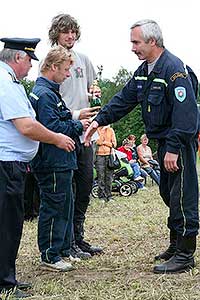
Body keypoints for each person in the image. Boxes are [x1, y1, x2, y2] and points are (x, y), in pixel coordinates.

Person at [84, 19, 199, 274]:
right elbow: (123, 100)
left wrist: (173, 147)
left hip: (177, 144)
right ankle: (175, 244)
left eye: (136, 42)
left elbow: (186, 114)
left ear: (152, 41)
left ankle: (185, 254)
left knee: (183, 198)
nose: (132, 48)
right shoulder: (145, 71)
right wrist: (98, 120)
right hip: (164, 142)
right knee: (168, 194)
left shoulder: (174, 69)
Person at [0, 38, 76, 299]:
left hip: (13, 164)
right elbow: (26, 126)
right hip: (7, 164)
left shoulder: (11, 82)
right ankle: (4, 283)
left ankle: (7, 277)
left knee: (11, 223)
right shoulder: (5, 82)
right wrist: (56, 137)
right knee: (7, 224)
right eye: (29, 60)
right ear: (18, 57)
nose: (32, 65)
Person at [30, 46, 91, 271]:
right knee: (54, 207)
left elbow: (60, 115)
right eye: (65, 70)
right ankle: (50, 254)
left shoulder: (50, 91)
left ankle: (64, 249)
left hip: (61, 160)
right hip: (51, 160)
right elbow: (51, 127)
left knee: (66, 204)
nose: (68, 74)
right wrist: (78, 125)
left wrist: (73, 118)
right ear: (54, 67)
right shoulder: (45, 94)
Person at [48, 13, 103, 256]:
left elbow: (93, 87)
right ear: (56, 34)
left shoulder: (84, 60)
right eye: (64, 31)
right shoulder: (52, 61)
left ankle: (78, 237)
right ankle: (67, 242)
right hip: (64, 131)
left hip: (86, 133)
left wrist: (95, 91)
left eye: (72, 31)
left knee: (84, 185)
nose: (70, 36)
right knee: (66, 191)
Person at [95, 125, 117, 201]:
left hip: (109, 155)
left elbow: (114, 144)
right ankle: (101, 196)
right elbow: (98, 142)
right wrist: (102, 133)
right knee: (101, 176)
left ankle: (109, 195)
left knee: (109, 176)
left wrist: (105, 142)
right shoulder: (96, 130)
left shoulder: (111, 130)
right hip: (99, 155)